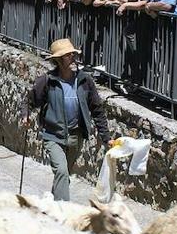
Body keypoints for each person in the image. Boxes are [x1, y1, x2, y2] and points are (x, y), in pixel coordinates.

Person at [23, 38, 111, 200]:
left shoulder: (84, 80)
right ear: (57, 59)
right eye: (67, 55)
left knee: (63, 175)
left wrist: (106, 138)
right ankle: (63, 213)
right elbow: (29, 101)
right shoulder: (47, 81)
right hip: (53, 136)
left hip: (75, 137)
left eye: (72, 54)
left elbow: (97, 110)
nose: (71, 57)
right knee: (62, 172)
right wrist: (25, 115)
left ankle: (52, 206)